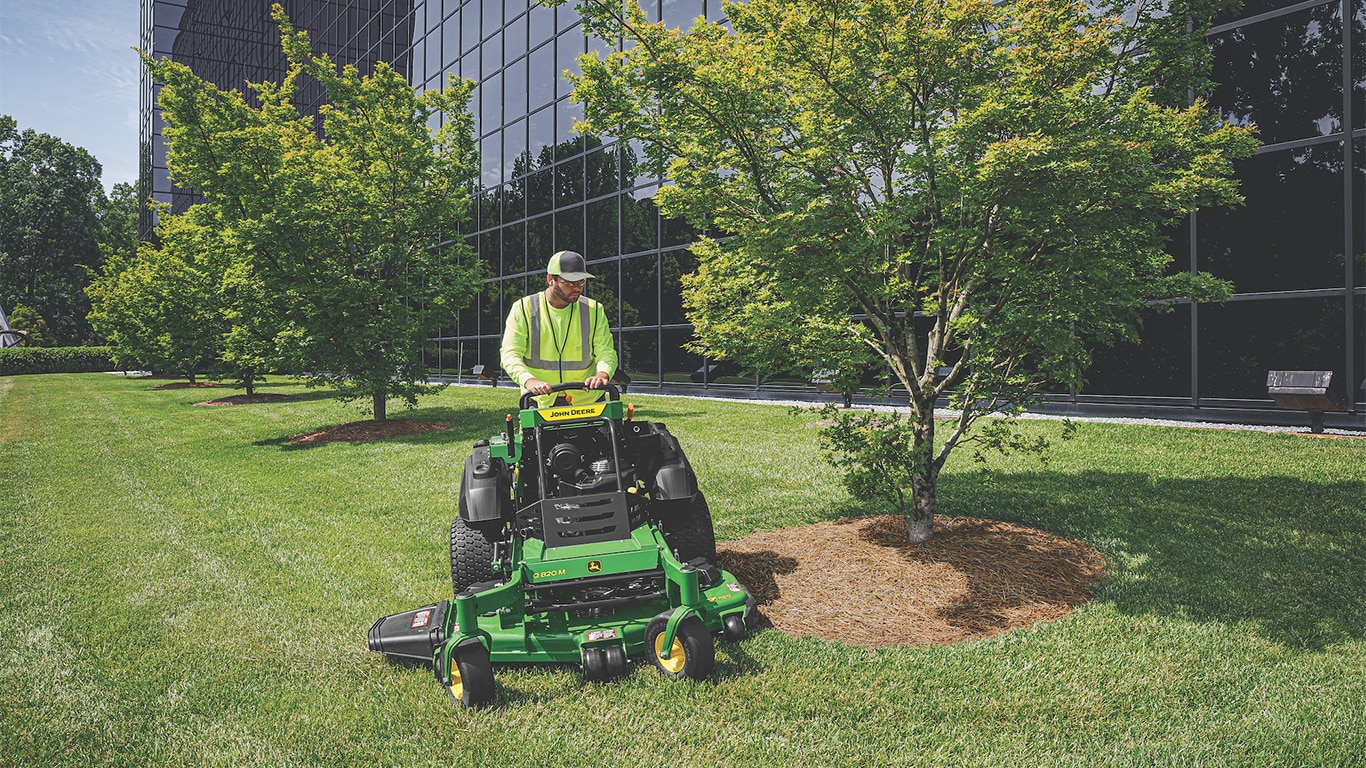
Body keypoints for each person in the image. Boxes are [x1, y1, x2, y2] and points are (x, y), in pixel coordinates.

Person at [500, 250, 618, 407]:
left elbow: (606, 352)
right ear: (550, 279)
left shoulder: (594, 310)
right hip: (540, 398)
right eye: (569, 283)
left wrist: (603, 373)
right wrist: (529, 380)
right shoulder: (524, 308)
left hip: (587, 398)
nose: (576, 288)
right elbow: (510, 354)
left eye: (581, 282)